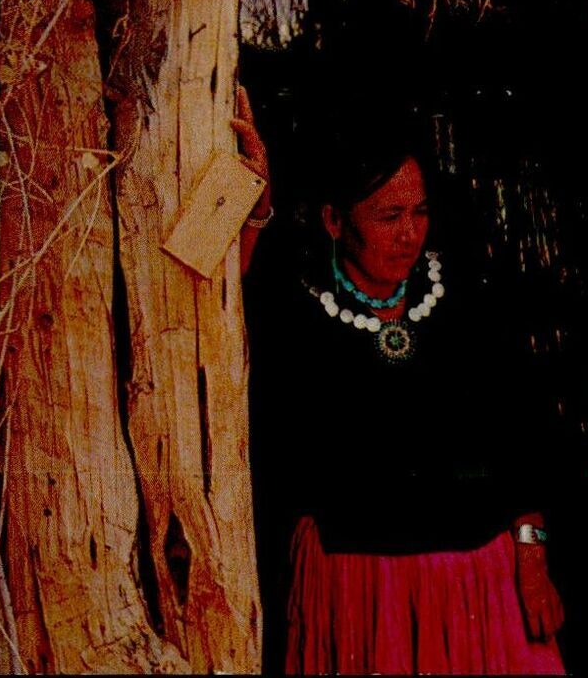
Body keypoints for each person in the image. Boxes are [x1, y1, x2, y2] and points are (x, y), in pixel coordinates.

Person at [232, 88, 565, 675]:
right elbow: (216, 306)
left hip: (479, 590)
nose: (409, 233)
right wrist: (252, 202)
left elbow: (520, 435)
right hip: (360, 591)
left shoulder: (468, 295)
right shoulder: (297, 305)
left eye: (419, 212)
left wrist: (531, 561)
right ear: (335, 220)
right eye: (388, 217)